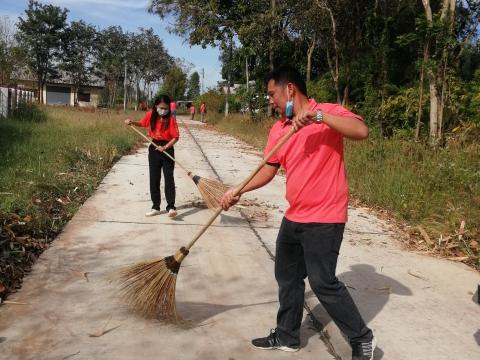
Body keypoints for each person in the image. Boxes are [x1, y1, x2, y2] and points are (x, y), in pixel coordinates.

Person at [221, 66, 375, 360]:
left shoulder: (327, 111)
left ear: (289, 89)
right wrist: (239, 188)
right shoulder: (280, 128)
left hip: (326, 217)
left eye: (271, 94)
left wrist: (318, 117)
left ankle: (362, 338)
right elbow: (268, 168)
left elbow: (361, 131)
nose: (270, 101)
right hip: (295, 216)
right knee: (287, 276)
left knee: (322, 282)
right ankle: (288, 335)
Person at [125, 95, 179, 218]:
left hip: (167, 149)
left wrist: (165, 147)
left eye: (165, 108)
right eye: (161, 107)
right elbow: (143, 124)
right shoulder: (151, 114)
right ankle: (155, 206)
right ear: (156, 106)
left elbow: (176, 137)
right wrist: (132, 122)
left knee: (169, 178)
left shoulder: (170, 118)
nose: (163, 110)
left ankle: (171, 207)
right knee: (154, 178)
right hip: (154, 148)